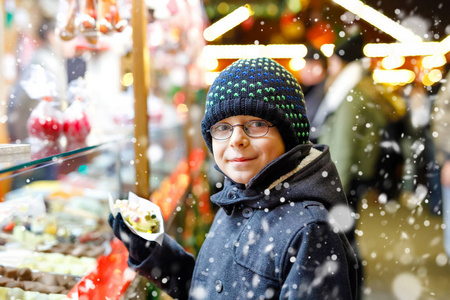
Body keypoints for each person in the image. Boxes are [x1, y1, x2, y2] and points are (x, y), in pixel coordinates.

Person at [109, 57, 359, 299]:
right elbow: (212, 289)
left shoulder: (311, 231)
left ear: (290, 135)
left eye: (257, 124)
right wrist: (155, 252)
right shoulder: (240, 195)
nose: (236, 139)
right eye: (222, 127)